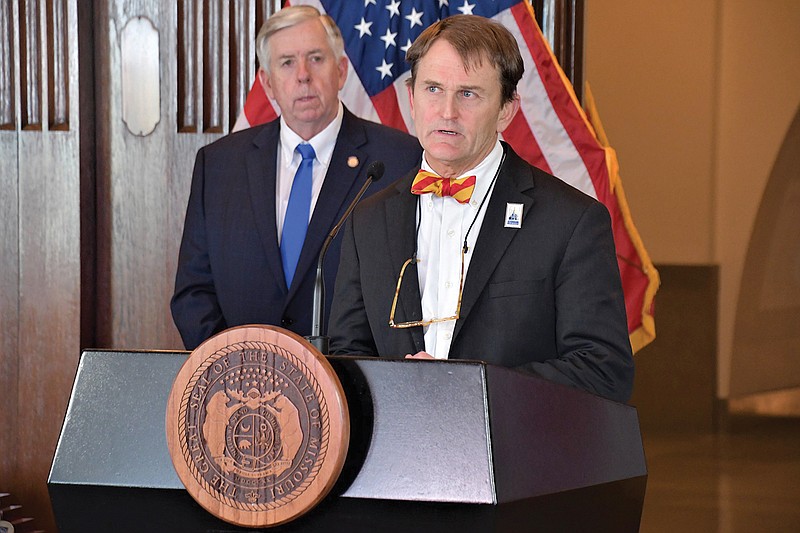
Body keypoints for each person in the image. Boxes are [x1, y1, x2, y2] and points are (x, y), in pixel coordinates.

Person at [328, 15, 634, 403]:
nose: (447, 112)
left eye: (468, 93)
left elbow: (603, 369)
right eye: (433, 89)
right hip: (397, 456)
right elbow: (347, 357)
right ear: (411, 98)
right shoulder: (367, 219)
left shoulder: (571, 221)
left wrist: (469, 390)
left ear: (506, 110)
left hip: (515, 457)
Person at [171, 6, 422, 350]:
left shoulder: (398, 160)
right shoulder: (218, 164)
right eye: (287, 62)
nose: (303, 75)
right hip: (241, 385)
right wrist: (229, 367)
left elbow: (411, 289)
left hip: (357, 384)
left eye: (316, 58)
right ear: (268, 82)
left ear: (341, 71)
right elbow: (193, 292)